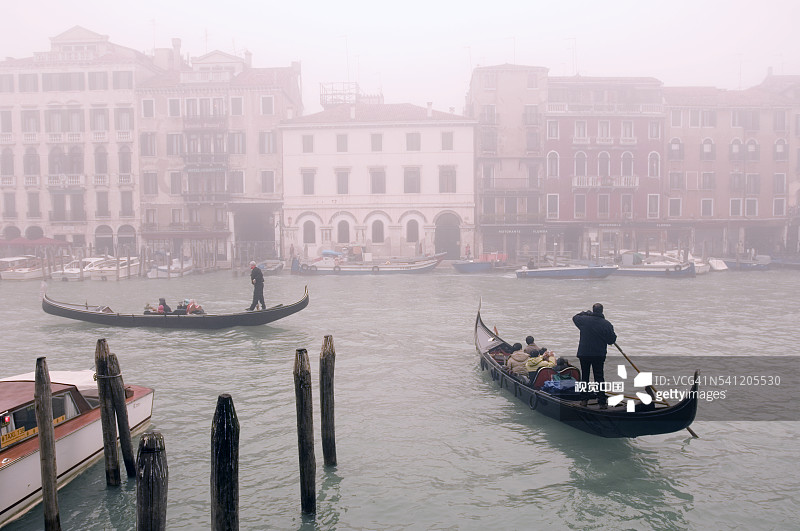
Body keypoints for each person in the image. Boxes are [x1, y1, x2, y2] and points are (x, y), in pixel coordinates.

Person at [573, 303, 617, 409]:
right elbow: (611, 340)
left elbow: (575, 317)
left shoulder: (584, 320)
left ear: (593, 311)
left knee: (585, 377)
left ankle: (584, 400)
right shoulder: (607, 324)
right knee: (599, 377)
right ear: (602, 311)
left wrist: (586, 313)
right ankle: (602, 402)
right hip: (598, 354)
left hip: (584, 353)